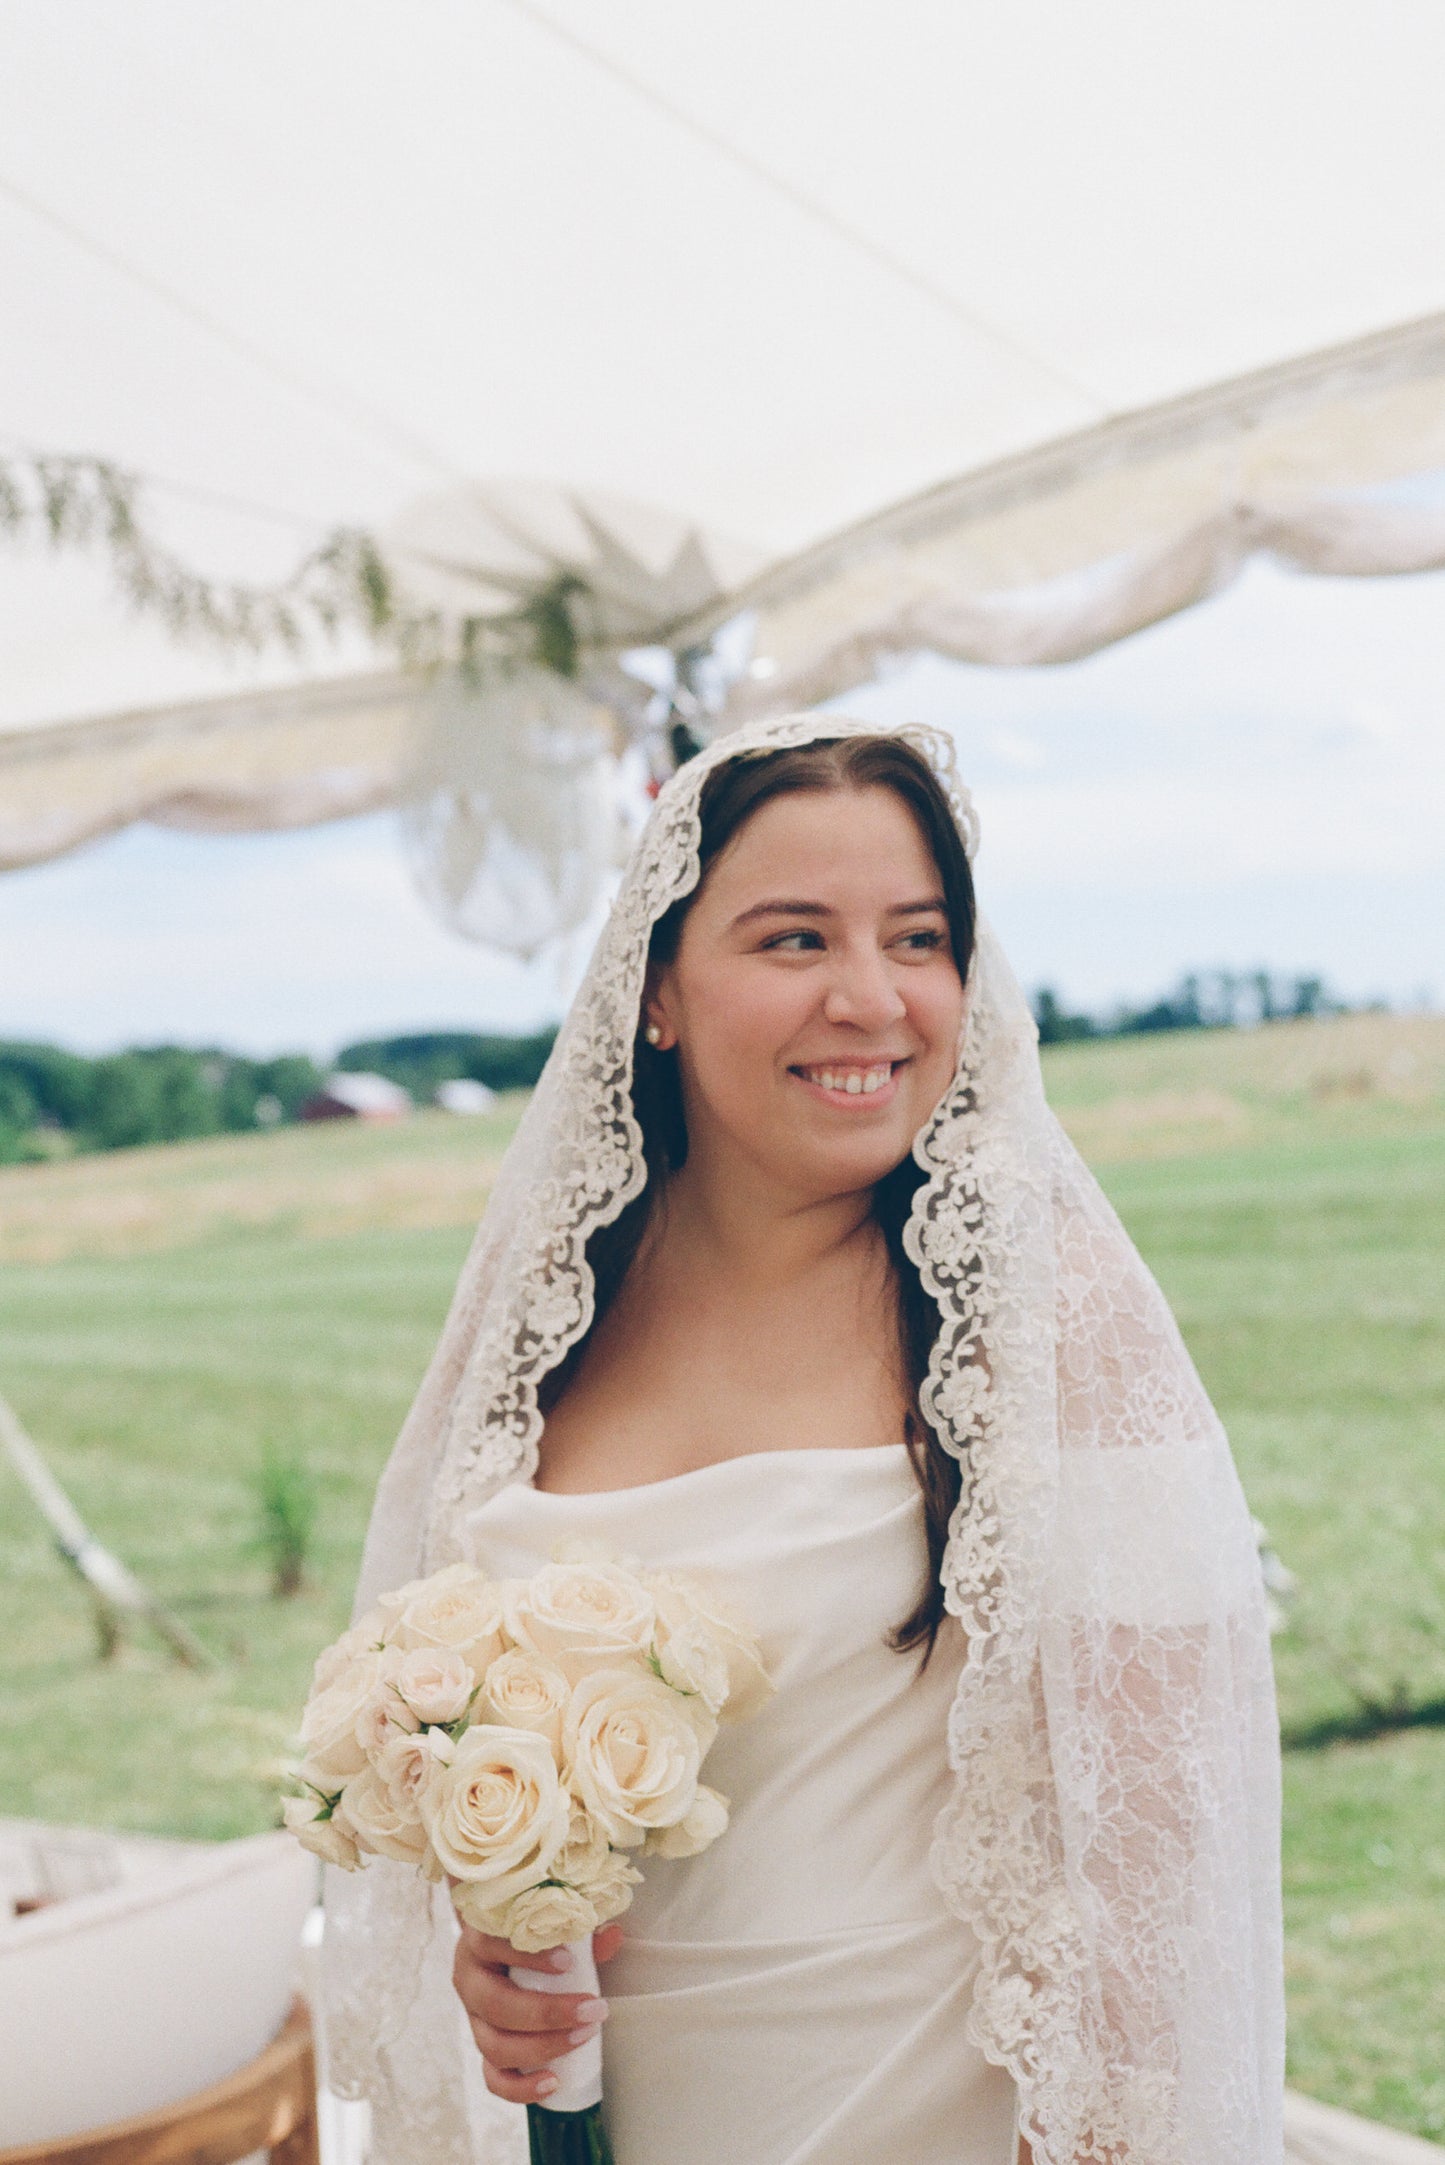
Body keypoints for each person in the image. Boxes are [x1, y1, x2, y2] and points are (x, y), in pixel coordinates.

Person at [322, 714, 1284, 2165]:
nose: (871, 998)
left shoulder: (1038, 1316)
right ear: (655, 989)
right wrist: (501, 1941)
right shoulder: (547, 1318)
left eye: (917, 937)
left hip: (918, 2116)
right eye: (791, 940)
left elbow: (1162, 1858)